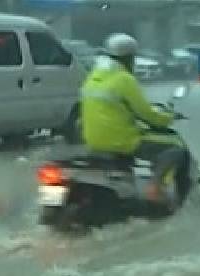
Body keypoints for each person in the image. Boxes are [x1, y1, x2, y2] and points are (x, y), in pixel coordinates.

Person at [80, 33, 192, 204]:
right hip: (122, 141)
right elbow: (146, 114)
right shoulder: (124, 79)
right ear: (128, 58)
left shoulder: (92, 77)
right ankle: (155, 186)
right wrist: (168, 118)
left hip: (92, 141)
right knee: (176, 149)